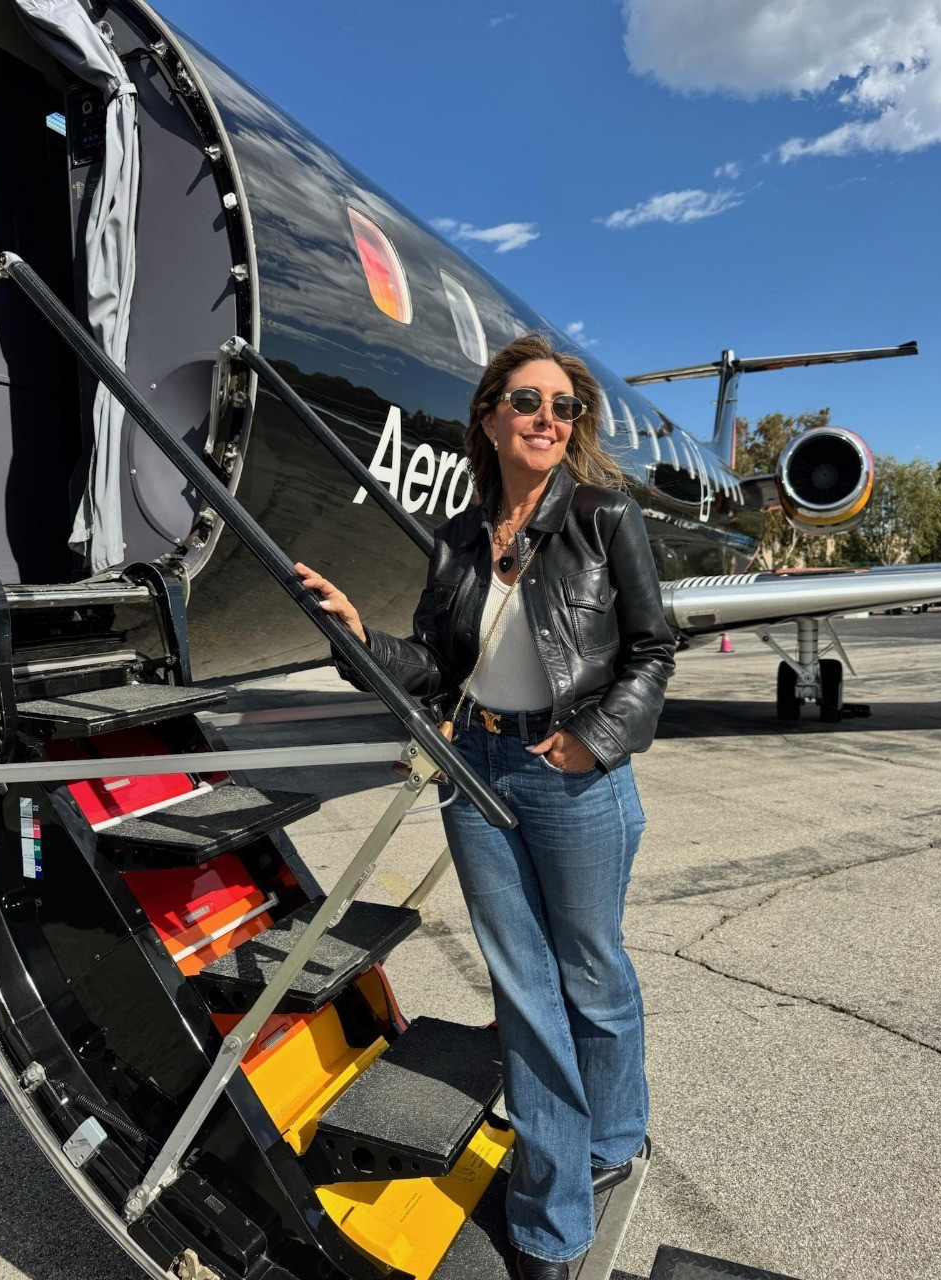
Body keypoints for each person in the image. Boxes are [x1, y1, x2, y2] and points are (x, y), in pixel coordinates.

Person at [295, 333, 676, 1280]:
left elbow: (652, 648)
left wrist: (597, 734)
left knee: (592, 972)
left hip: (574, 773)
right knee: (525, 991)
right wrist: (357, 635)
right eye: (529, 402)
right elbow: (434, 664)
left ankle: (613, 1135)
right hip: (475, 771)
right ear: (490, 417)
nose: (550, 419)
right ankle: (554, 1220)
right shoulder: (462, 538)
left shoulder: (603, 517)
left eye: (564, 407)